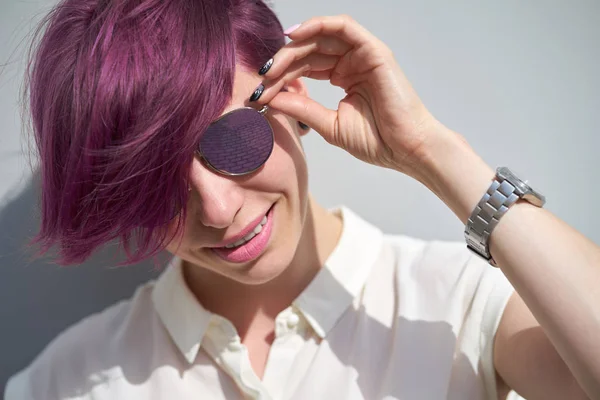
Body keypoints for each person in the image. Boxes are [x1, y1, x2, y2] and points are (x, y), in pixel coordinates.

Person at [4, 0, 599, 399]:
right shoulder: (71, 380)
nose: (216, 210)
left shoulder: (459, 305)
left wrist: (431, 151)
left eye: (232, 141)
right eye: (154, 187)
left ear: (289, 89)